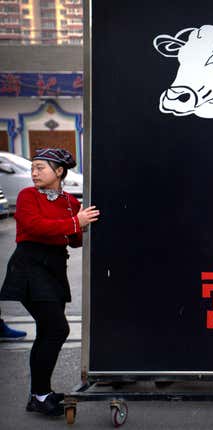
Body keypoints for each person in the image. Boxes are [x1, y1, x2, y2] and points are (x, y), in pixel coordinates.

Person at [0, 148, 99, 416]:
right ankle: (40, 394)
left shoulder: (69, 201)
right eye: (33, 168)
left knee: (48, 331)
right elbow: (34, 226)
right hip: (30, 267)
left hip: (54, 268)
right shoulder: (27, 196)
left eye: (40, 167)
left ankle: (39, 394)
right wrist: (74, 223)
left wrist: (81, 226)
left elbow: (74, 240)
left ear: (59, 171)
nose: (34, 173)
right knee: (56, 329)